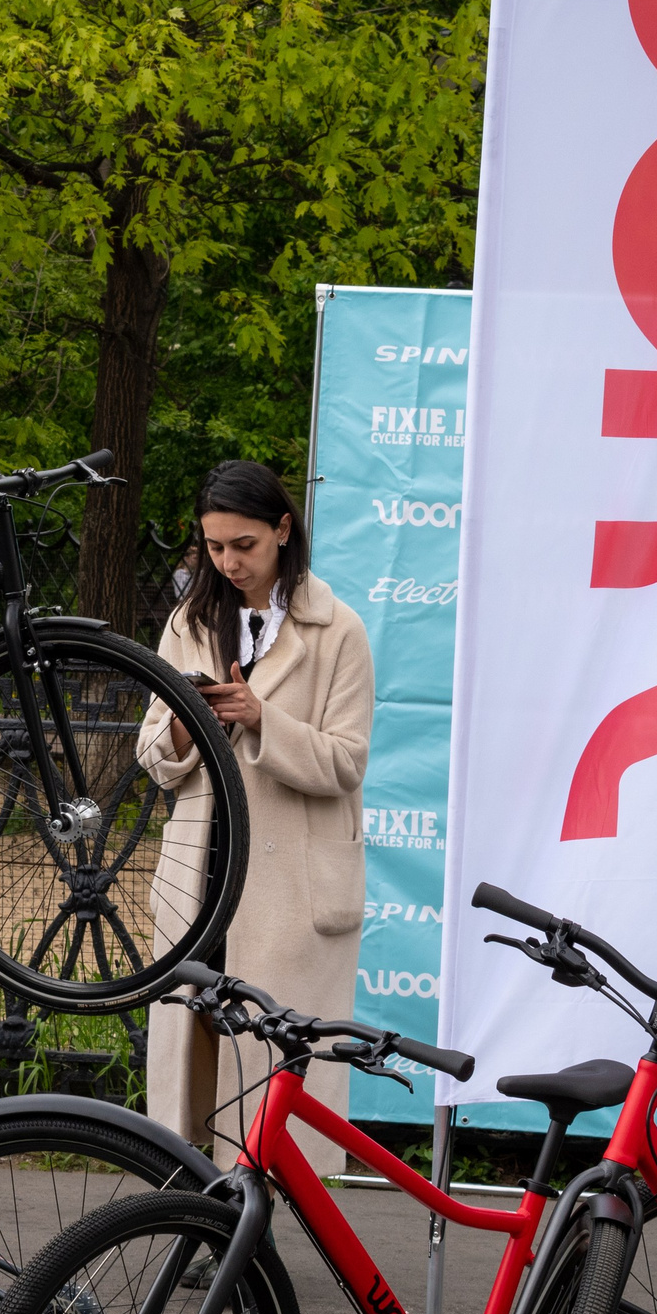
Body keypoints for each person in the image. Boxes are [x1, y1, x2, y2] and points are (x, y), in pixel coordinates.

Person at [137, 459, 372, 1171]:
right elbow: (152, 752)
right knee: (199, 1063)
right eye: (214, 546)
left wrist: (264, 720)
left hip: (288, 889)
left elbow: (346, 760)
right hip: (202, 873)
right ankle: (205, 1220)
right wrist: (189, 717)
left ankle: (254, 1227)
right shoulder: (189, 623)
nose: (229, 561)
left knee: (269, 1066)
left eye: (245, 544)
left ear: (282, 530)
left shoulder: (340, 630)